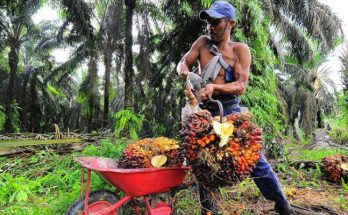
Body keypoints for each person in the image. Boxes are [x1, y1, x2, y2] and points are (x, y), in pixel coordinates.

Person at [176, 1, 296, 215]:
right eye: (209, 22)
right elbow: (182, 63)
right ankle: (209, 211)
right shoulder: (202, 43)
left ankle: (282, 205)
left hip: (230, 110)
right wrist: (186, 74)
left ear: (230, 23)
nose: (211, 27)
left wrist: (215, 86)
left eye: (216, 22)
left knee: (255, 159)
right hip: (204, 111)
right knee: (203, 162)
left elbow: (241, 86)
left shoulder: (240, 50)